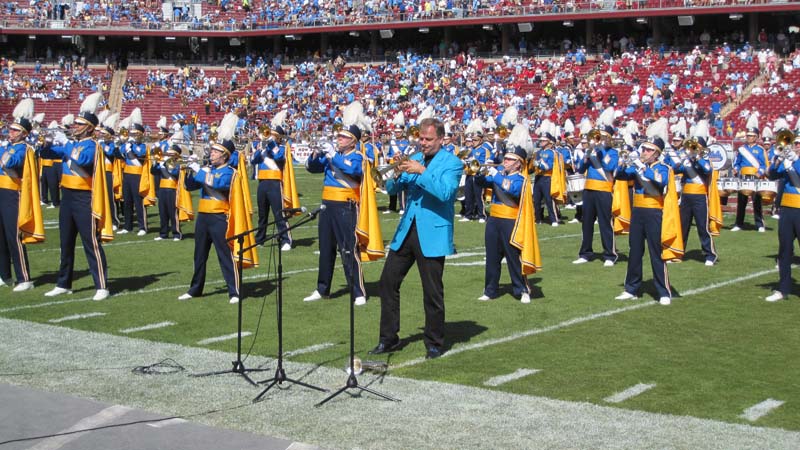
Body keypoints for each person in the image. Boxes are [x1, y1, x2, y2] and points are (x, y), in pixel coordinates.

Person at [369, 117, 464, 359]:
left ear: (441, 139)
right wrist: (396, 174)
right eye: (421, 138)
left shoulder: (452, 163)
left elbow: (445, 193)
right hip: (407, 231)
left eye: (428, 139)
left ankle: (434, 341)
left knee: (432, 291)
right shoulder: (416, 157)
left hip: (432, 233)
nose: (423, 143)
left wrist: (421, 171)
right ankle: (388, 338)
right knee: (387, 283)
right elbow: (391, 190)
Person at [45, 93, 113, 302]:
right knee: (65, 243)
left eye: (79, 124)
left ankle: (102, 285)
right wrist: (47, 142)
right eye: (75, 123)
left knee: (90, 243)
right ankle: (63, 283)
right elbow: (46, 154)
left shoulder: (92, 145)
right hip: (67, 198)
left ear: (89, 127)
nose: (74, 126)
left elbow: (83, 160)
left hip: (84, 198)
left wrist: (65, 143)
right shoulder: (72, 144)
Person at [178, 113, 249, 305]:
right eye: (212, 151)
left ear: (225, 154)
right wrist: (188, 171)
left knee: (225, 256)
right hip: (204, 216)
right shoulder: (208, 169)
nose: (212, 154)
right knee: (199, 255)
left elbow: (218, 184)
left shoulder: (229, 172)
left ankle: (234, 290)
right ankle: (195, 289)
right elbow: (190, 186)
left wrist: (200, 170)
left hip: (219, 217)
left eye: (216, 152)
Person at [303, 105, 368, 306]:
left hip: (346, 207)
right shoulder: (333, 155)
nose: (338, 139)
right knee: (326, 249)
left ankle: (358, 291)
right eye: (338, 136)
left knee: (349, 249)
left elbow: (354, 170)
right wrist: (315, 154)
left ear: (353, 141)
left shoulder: (357, 156)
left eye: (343, 137)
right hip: (327, 205)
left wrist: (333, 156)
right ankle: (322, 289)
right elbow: (312, 168)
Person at [474, 125, 540, 304]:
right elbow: (482, 183)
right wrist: (477, 172)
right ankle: (490, 290)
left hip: (511, 221)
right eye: (506, 158)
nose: (505, 161)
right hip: (494, 220)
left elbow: (510, 189)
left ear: (519, 163)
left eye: (510, 159)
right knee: (492, 257)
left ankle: (522, 289)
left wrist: (495, 174)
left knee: (513, 258)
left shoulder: (521, 179)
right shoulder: (500, 174)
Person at [614, 137, 682, 305]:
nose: (644, 152)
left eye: (648, 150)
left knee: (656, 252)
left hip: (654, 212)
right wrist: (623, 162)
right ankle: (631, 289)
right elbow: (620, 176)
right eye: (643, 149)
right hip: (637, 212)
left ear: (657, 153)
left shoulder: (663, 168)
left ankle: (663, 291)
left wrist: (641, 166)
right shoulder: (637, 168)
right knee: (635, 251)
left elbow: (660, 181)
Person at [0, 98, 43, 292]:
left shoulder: (24, 149)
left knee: (13, 236)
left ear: (24, 133)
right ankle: (4, 275)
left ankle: (24, 278)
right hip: (1, 192)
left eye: (15, 130)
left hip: (12, 194)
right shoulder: (8, 146)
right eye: (10, 129)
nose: (10, 132)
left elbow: (9, 163)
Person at [573, 125, 620, 266]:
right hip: (589, 190)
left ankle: (610, 255)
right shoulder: (591, 152)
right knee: (586, 223)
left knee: (605, 223)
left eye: (604, 137)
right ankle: (585, 253)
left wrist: (600, 150)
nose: (600, 139)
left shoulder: (612, 153)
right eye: (600, 136)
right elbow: (580, 169)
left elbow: (609, 167)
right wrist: (587, 154)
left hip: (604, 190)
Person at [765, 135, 800, 302]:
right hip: (786, 209)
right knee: (784, 251)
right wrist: (777, 160)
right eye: (796, 143)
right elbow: (771, 175)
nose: (796, 146)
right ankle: (783, 289)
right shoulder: (787, 162)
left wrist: (795, 161)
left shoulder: (794, 161)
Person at [252, 112, 291, 251]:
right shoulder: (264, 148)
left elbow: (279, 157)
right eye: (270, 134)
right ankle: (260, 238)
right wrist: (261, 148)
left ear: (279, 138)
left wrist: (271, 144)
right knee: (262, 214)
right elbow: (253, 160)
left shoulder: (281, 148)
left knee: (279, 213)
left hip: (275, 183)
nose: (269, 136)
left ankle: (286, 239)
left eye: (273, 135)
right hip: (262, 183)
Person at [119, 108, 150, 236]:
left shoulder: (142, 146)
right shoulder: (127, 144)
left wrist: (131, 147)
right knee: (127, 201)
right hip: (127, 174)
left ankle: (143, 226)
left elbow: (140, 153)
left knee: (138, 202)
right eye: (132, 134)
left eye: (136, 134)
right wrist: (124, 145)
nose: (133, 136)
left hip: (137, 175)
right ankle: (128, 225)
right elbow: (119, 153)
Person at [731, 126, 767, 232]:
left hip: (755, 177)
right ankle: (739, 223)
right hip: (743, 177)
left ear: (756, 137)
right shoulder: (742, 149)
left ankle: (759, 224)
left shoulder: (760, 150)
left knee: (757, 201)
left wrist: (759, 173)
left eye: (752, 136)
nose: (749, 137)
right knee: (741, 201)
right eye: (748, 136)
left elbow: (763, 165)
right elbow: (737, 163)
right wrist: (736, 169)